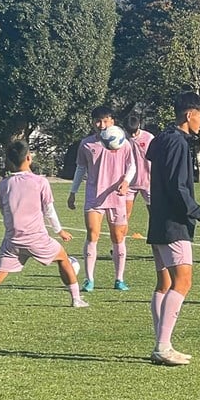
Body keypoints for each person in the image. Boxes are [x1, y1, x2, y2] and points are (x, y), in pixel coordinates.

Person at [0, 140, 88, 311]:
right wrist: (59, 231)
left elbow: (3, 209)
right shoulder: (40, 182)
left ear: (10, 161)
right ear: (29, 158)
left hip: (12, 240)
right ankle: (76, 299)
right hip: (37, 238)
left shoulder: (4, 184)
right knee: (63, 259)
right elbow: (49, 210)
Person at [146, 91, 200, 366]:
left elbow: (151, 153)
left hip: (159, 220)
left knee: (164, 282)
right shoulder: (177, 143)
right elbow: (178, 186)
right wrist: (199, 213)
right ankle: (163, 346)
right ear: (189, 115)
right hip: (174, 223)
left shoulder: (163, 138)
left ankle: (161, 342)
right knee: (183, 282)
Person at [68, 105, 136, 292]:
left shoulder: (123, 142)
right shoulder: (87, 144)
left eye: (105, 120)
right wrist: (73, 192)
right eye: (98, 121)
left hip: (117, 196)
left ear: (112, 121)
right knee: (92, 234)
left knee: (118, 237)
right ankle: (89, 279)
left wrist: (126, 181)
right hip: (94, 196)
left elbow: (132, 166)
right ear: (92, 123)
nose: (101, 124)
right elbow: (80, 168)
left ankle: (119, 279)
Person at [123, 112, 154, 228]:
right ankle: (118, 245)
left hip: (149, 182)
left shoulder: (149, 138)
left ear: (139, 125)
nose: (132, 135)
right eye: (129, 132)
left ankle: (157, 246)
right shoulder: (121, 139)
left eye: (134, 132)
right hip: (129, 184)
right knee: (123, 217)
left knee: (155, 216)